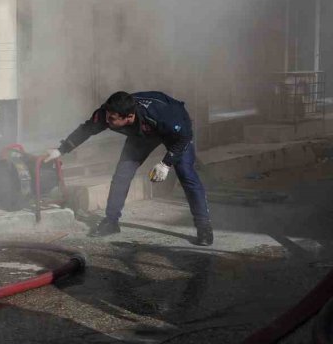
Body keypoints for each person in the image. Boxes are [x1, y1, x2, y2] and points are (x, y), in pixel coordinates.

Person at [45, 91, 213, 246]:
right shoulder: (106, 113)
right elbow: (87, 129)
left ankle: (204, 226)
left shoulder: (162, 115)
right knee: (122, 174)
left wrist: (166, 163)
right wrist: (61, 150)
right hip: (142, 135)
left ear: (130, 116)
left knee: (185, 173)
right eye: (107, 117)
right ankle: (111, 222)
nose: (107, 121)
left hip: (176, 135)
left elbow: (184, 137)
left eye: (112, 119)